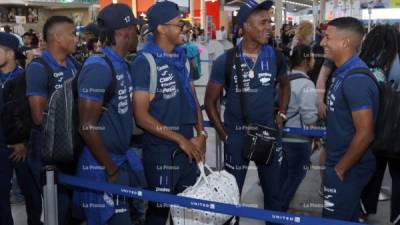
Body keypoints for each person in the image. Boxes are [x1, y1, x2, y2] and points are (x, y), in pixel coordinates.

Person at [205, 1, 290, 224]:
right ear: (246, 26)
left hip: (267, 135)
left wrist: (282, 113)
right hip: (236, 136)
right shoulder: (225, 60)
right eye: (263, 22)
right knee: (231, 197)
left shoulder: (276, 57)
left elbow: (285, 85)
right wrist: (225, 135)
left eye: (269, 21)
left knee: (274, 196)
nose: (269, 26)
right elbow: (210, 102)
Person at [131, 1, 206, 224]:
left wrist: (201, 134)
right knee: (159, 211)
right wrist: (179, 139)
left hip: (189, 149)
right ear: (161, 28)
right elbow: (141, 116)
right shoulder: (144, 62)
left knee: (187, 212)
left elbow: (193, 100)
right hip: (161, 151)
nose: (184, 28)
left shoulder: (182, 59)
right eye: (178, 24)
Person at [74, 3, 146, 225]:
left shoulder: (122, 64)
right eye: (137, 30)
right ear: (124, 32)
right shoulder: (99, 67)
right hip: (102, 166)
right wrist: (110, 168)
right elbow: (86, 126)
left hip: (120, 160)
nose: (139, 36)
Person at [320, 17, 379, 222]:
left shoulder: (356, 80)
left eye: (327, 37)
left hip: (349, 167)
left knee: (334, 220)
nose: (322, 43)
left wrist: (340, 169)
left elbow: (366, 133)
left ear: (345, 43)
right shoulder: (341, 72)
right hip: (340, 163)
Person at [25, 16, 80, 225]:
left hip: (71, 146)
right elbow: (39, 117)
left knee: (70, 209)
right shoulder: (39, 69)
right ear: (57, 37)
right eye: (72, 34)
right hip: (48, 150)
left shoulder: (74, 64)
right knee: (55, 210)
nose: (76, 38)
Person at [358, 24, 400, 225]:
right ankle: (397, 217)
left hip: (372, 130)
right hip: (396, 132)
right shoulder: (397, 62)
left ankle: (363, 212)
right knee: (398, 176)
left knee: (371, 173)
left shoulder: (365, 64)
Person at [0, 32, 42, 225]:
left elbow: (33, 114)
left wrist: (24, 142)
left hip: (25, 147)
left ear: (10, 54)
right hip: (1, 147)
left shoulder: (26, 78)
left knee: (31, 192)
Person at [280, 44, 318, 212]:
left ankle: (274, 210)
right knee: (296, 175)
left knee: (283, 175)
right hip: (298, 138)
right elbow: (309, 116)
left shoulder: (284, 78)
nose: (315, 60)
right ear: (306, 59)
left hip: (282, 135)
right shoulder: (306, 84)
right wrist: (317, 136)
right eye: (312, 56)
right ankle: (278, 212)